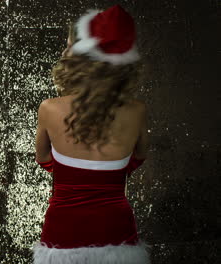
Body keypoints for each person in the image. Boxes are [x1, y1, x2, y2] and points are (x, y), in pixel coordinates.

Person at [34, 5, 150, 264]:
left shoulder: (50, 108)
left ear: (83, 55)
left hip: (63, 230)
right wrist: (108, 174)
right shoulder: (137, 111)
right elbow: (139, 156)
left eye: (68, 46)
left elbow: (43, 158)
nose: (64, 52)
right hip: (117, 230)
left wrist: (73, 177)